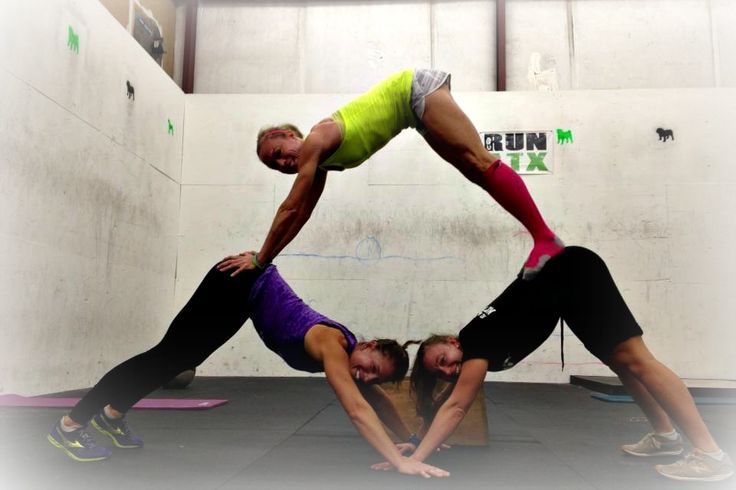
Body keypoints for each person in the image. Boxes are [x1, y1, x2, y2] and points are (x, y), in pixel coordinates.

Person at [47, 258, 448, 477]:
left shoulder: (353, 363)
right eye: (369, 366)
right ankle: (70, 427)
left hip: (244, 298)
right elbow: (358, 410)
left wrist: (411, 437)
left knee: (179, 358)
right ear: (368, 344)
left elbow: (375, 402)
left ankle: (112, 417)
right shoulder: (332, 346)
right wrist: (401, 463)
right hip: (239, 282)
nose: (364, 377)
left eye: (373, 376)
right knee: (163, 357)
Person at [388, 246, 734, 482]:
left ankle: (711, 454)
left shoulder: (475, 341)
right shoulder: (473, 344)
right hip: (566, 291)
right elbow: (444, 402)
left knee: (636, 359)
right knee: (622, 366)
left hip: (573, 274)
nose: (450, 370)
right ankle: (666, 437)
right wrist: (418, 439)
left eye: (445, 361)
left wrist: (414, 461)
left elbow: (457, 407)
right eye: (442, 372)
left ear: (451, 342)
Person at [220, 69, 563, 280]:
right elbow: (302, 214)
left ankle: (545, 240)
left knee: (478, 161)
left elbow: (290, 207)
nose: (282, 164)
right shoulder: (321, 161)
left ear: (288, 133)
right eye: (274, 165)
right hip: (412, 112)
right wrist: (264, 261)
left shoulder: (314, 141)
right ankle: (544, 240)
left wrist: (260, 258)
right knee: (475, 171)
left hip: (413, 89)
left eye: (278, 153)